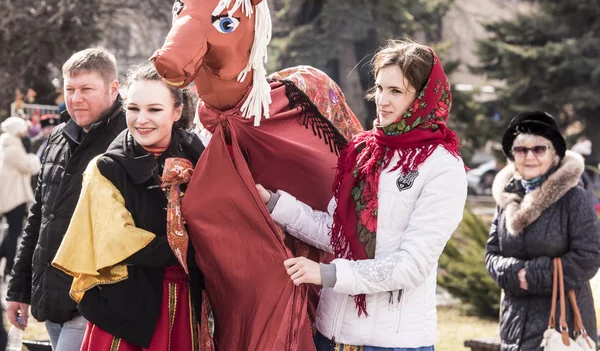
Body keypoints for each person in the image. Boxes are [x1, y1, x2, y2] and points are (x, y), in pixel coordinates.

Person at [257, 40, 468, 350]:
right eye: (380, 88)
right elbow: (336, 233)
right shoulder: (362, 152)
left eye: (396, 91)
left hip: (391, 342)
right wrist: (273, 203)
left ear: (424, 98)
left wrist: (328, 273)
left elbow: (412, 265)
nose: (381, 100)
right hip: (331, 335)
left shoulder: (442, 166)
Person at [52, 63, 209, 350]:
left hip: (188, 302)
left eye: (154, 109)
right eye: (133, 108)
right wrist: (199, 244)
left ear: (176, 111)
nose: (141, 119)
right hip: (127, 312)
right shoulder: (106, 168)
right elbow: (119, 242)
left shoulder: (200, 156)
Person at [6, 47, 126, 351]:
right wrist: (19, 289)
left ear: (114, 89)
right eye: (70, 89)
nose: (76, 98)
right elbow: (40, 218)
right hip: (51, 298)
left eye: (87, 89)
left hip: (94, 304)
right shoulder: (58, 136)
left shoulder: (130, 138)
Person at [485, 111, 600, 351]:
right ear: (512, 155)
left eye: (539, 149)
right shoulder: (507, 197)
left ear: (554, 154)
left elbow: (589, 256)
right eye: (521, 150)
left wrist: (533, 275)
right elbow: (492, 255)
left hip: (563, 329)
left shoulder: (573, 197)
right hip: (514, 327)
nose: (529, 156)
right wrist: (515, 273)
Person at [0, 117, 41, 281]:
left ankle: (7, 263)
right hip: (14, 196)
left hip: (11, 194)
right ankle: (9, 266)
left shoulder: (7, 143)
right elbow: (30, 166)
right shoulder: (13, 148)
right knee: (14, 232)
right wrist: (35, 157)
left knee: (12, 231)